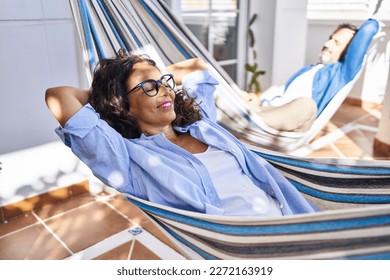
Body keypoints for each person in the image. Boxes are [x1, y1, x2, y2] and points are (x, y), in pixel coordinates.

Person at [45, 52, 318, 217]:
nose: (165, 90)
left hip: (290, 215)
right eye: (149, 87)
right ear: (124, 107)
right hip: (246, 247)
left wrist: (150, 75)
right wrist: (108, 96)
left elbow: (197, 67)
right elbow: (58, 96)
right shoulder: (128, 161)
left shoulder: (202, 123)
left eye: (164, 82)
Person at [257, 18, 381, 117]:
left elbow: (368, 29)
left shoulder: (342, 73)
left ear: (349, 51)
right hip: (270, 111)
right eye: (330, 39)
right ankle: (253, 112)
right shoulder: (309, 69)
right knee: (244, 96)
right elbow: (281, 92)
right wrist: (259, 100)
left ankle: (253, 115)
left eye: (336, 43)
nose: (327, 44)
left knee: (306, 105)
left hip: (296, 118)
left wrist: (375, 20)